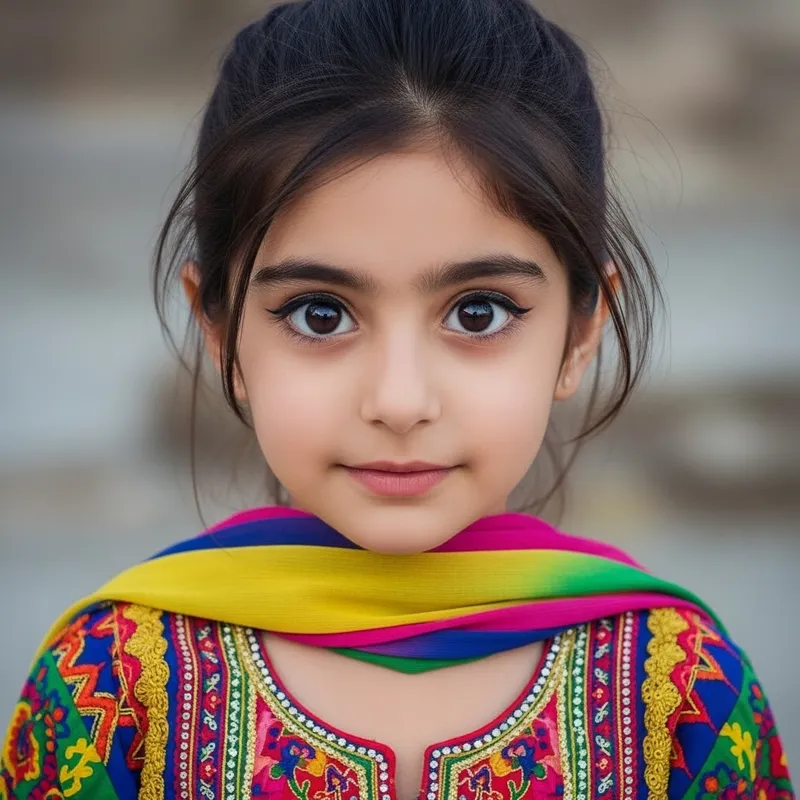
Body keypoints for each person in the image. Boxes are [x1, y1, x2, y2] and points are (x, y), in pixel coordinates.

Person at [2, 0, 793, 797]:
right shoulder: (111, 688)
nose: (400, 400)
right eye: (321, 314)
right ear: (220, 332)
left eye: (477, 313)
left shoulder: (683, 692)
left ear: (580, 331)